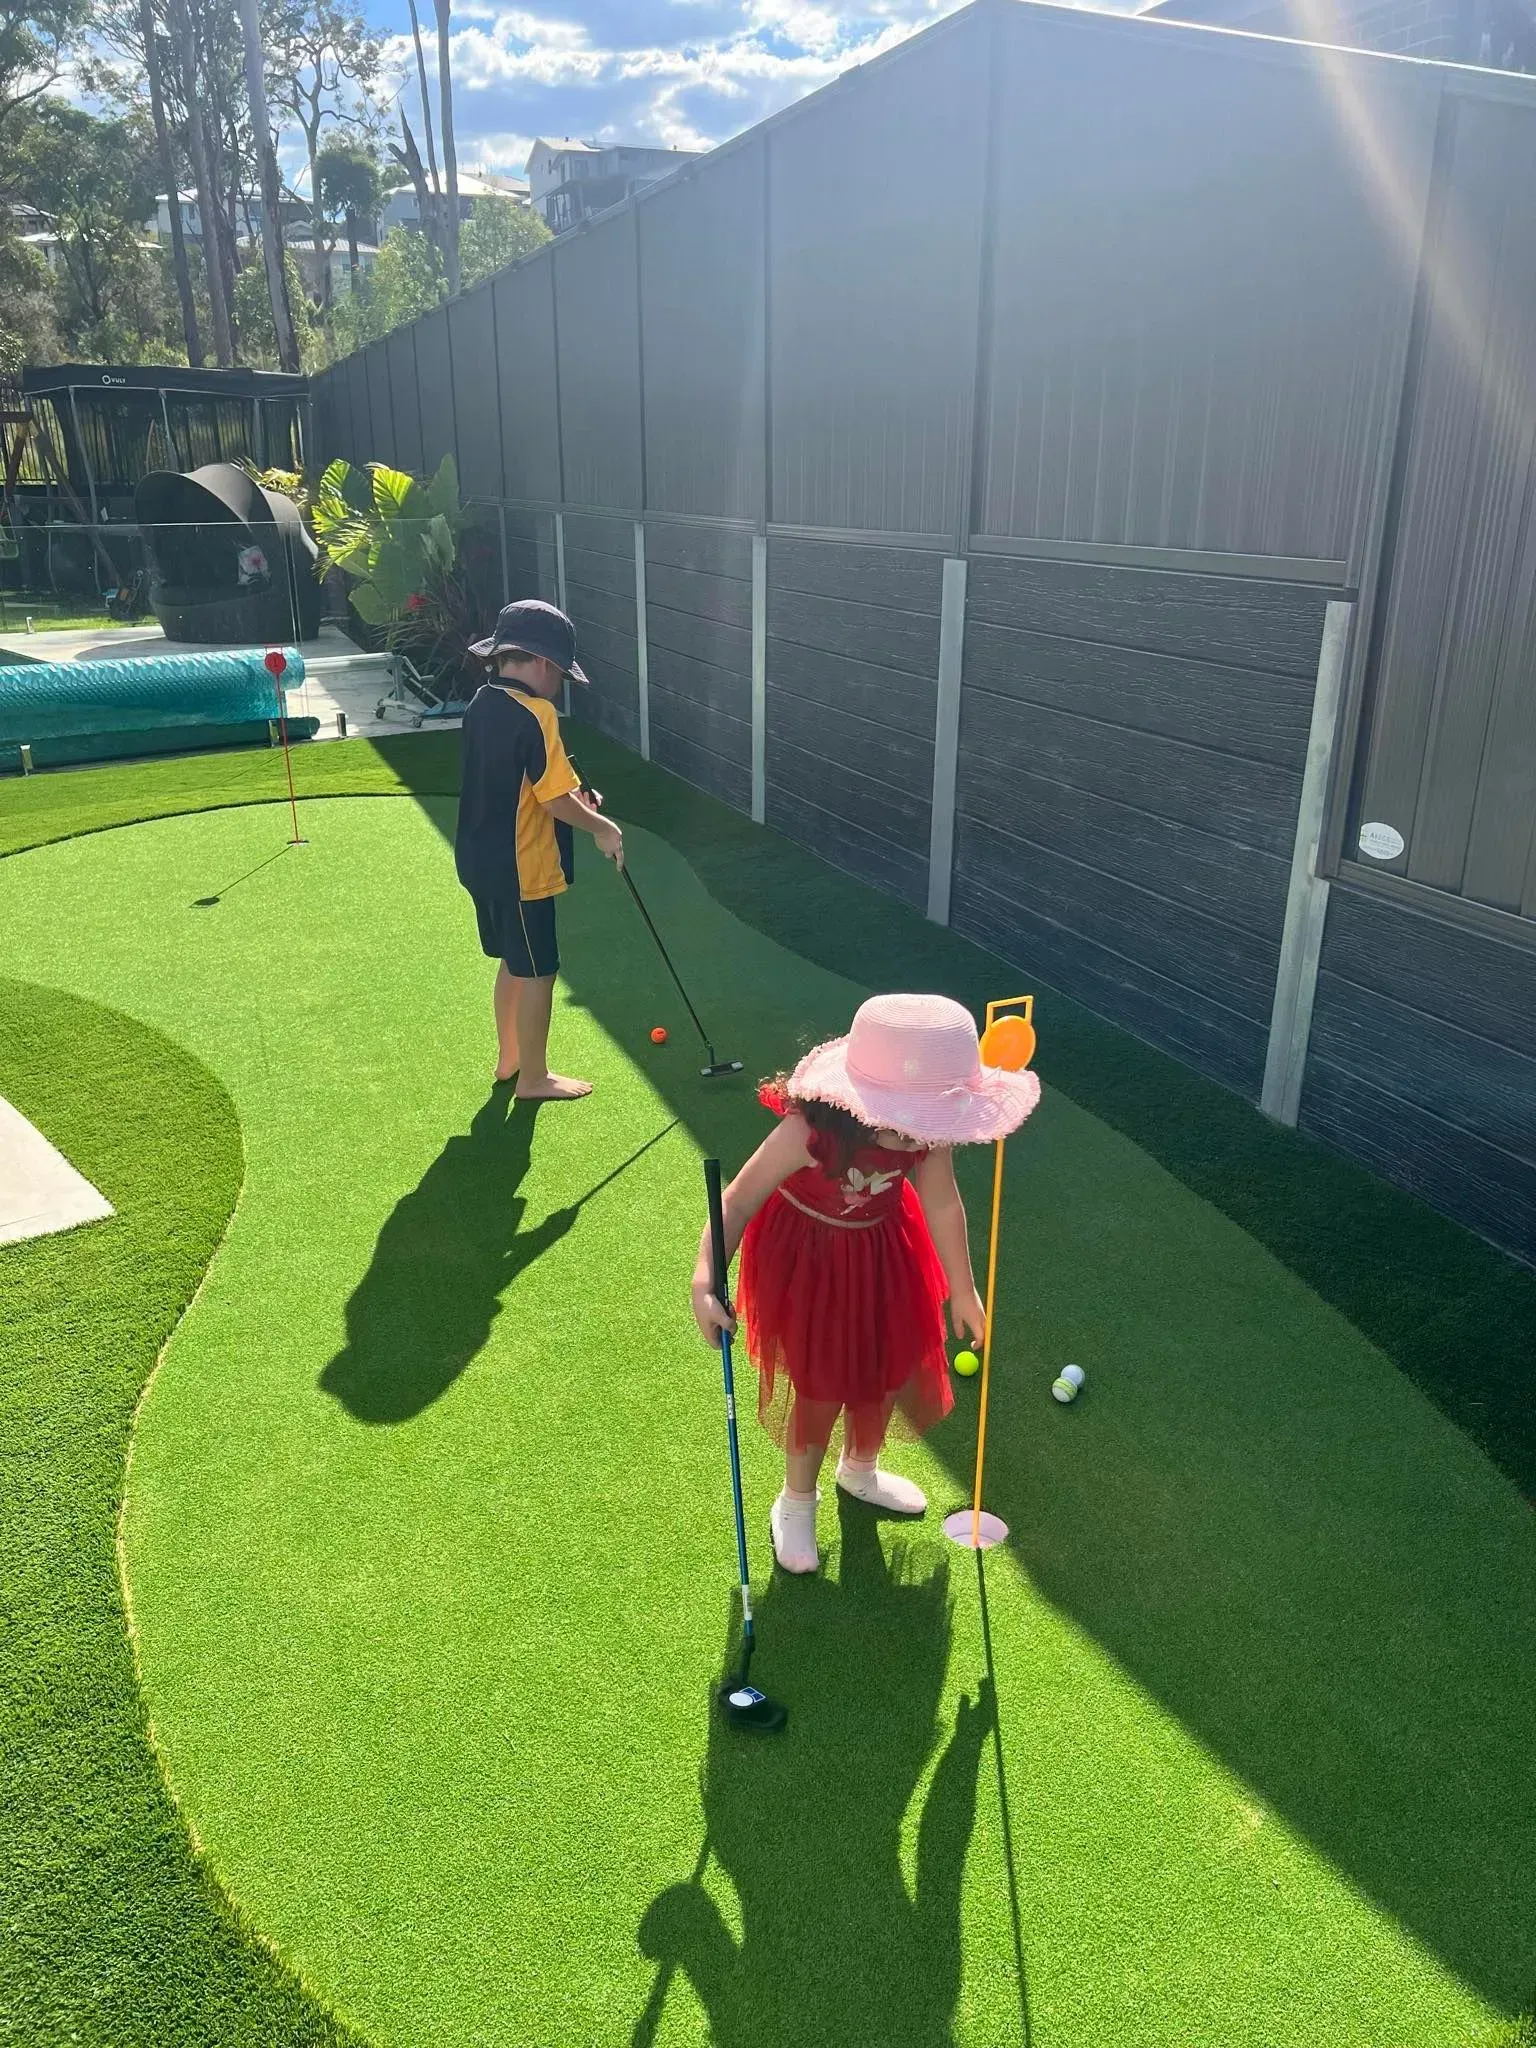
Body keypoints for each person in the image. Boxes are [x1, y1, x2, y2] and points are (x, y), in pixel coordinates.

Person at [691, 992, 1040, 1574]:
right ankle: (795, 1503)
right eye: (904, 1129)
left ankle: (860, 1470)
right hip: (810, 1258)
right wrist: (706, 1278)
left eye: (926, 1129)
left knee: (883, 1365)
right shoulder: (808, 1132)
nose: (918, 1142)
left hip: (884, 1247)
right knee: (822, 1382)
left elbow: (942, 1200)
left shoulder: (926, 1131)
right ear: (860, 1105)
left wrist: (962, 1286)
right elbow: (737, 1200)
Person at [456, 599, 623, 1101]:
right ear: (546, 664)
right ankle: (534, 1077)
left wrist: (581, 801)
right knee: (540, 972)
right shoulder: (538, 712)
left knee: (512, 960)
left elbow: (538, 783)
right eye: (560, 674)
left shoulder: (482, 702)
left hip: (480, 859)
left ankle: (510, 1060)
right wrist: (602, 826)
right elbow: (552, 800)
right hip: (522, 867)